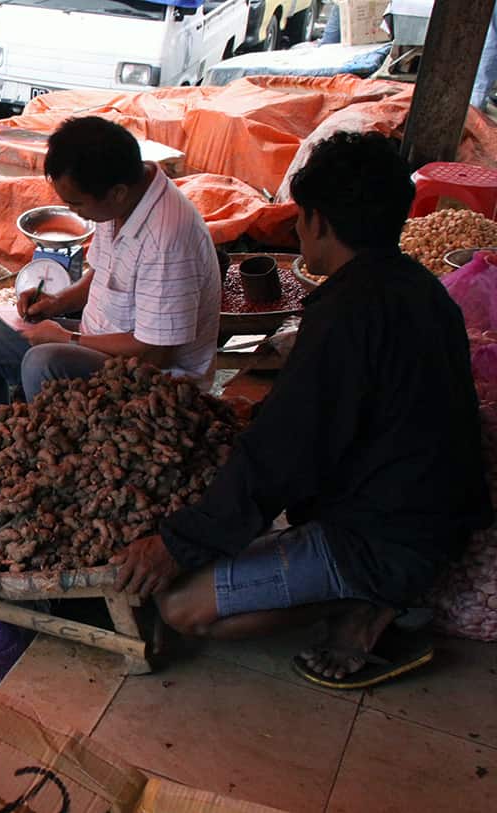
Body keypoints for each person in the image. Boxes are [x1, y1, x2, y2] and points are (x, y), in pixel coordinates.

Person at [111, 132, 492, 689]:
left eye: (299, 219)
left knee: (180, 606)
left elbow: (283, 456)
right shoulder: (421, 288)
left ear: (318, 222)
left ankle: (364, 607)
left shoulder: (347, 315)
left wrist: (177, 542)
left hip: (386, 539)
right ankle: (369, 589)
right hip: (424, 512)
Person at [0, 116, 221, 425]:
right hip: (96, 342)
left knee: (43, 362)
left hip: (156, 380)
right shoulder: (121, 201)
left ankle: (39, 458)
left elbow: (154, 353)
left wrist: (67, 339)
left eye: (77, 204)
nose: (74, 212)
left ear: (117, 192)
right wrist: (58, 303)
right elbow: (101, 274)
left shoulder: (169, 239)